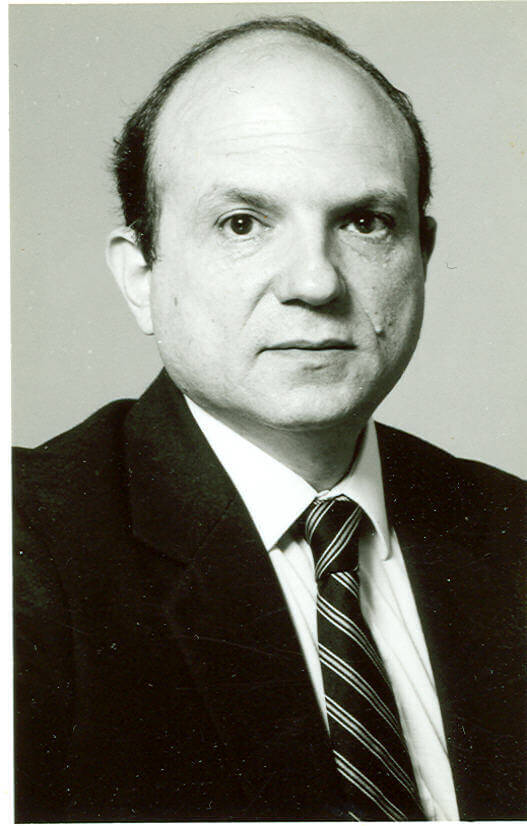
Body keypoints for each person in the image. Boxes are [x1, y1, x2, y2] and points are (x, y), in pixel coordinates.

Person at [13, 15, 525, 823]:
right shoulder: (25, 547)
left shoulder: (511, 530)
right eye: (242, 223)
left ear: (421, 256)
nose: (315, 282)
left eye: (364, 222)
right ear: (141, 276)